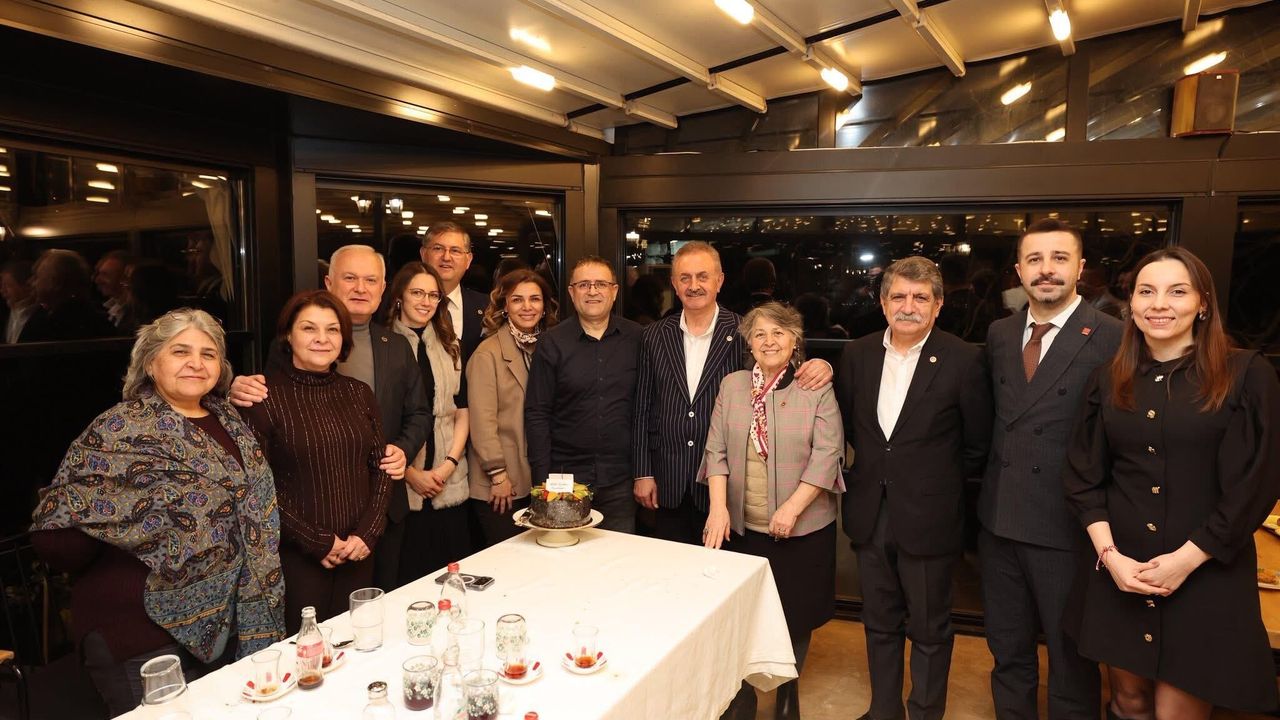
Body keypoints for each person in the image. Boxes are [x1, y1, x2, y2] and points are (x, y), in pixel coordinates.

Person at [30, 308, 285, 716]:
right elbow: (56, 538)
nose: (196, 363)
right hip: (136, 629)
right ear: (150, 363)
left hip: (229, 621)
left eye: (208, 354)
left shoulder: (231, 421)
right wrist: (123, 524)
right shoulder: (117, 429)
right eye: (180, 351)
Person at [1064, 247, 1280, 718]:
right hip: (1122, 569)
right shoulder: (1107, 379)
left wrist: (1186, 560)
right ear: (1131, 303)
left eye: (1177, 291)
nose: (1159, 304)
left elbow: (1257, 482)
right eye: (1147, 291)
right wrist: (1111, 558)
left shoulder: (1246, 374)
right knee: (1128, 701)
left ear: (1203, 303)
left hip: (1206, 572)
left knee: (1176, 709)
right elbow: (1083, 478)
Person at [836, 256, 992, 720]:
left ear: (938, 304)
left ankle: (924, 713)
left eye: (920, 297)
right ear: (883, 303)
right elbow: (852, 427)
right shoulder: (858, 354)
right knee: (878, 622)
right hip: (870, 513)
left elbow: (977, 444)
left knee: (929, 629)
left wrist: (930, 483)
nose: (909, 306)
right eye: (899, 296)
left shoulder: (964, 359)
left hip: (929, 518)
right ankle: (883, 710)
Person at [978, 219, 1122, 720]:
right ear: (1019, 271)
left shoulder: (1112, 336)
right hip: (999, 520)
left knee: (1070, 657)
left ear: (1080, 268)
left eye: (1059, 258)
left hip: (1067, 525)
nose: (1046, 270)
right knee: (1007, 649)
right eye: (1034, 259)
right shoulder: (1000, 333)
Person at [231, 244, 430, 592]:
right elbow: (272, 414)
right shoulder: (286, 349)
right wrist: (231, 388)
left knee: (380, 603)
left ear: (383, 288)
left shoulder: (397, 345)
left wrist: (401, 450)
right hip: (309, 524)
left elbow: (419, 412)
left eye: (371, 280)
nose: (361, 288)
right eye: (350, 278)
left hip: (381, 509)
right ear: (329, 282)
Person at [632, 242, 833, 546]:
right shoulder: (654, 336)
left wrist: (821, 365)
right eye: (685, 278)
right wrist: (643, 472)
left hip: (728, 486)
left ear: (719, 281)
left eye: (703, 276)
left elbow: (777, 374)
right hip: (667, 480)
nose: (694, 285)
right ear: (674, 284)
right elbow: (642, 407)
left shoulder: (744, 332)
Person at [701, 301, 844, 720]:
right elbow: (715, 451)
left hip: (801, 527)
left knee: (794, 615)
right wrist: (717, 509)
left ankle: (786, 693)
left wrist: (791, 510)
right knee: (743, 615)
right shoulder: (732, 386)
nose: (769, 341)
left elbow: (828, 454)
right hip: (743, 527)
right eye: (760, 334)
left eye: (779, 333)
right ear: (748, 342)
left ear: (794, 340)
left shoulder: (814, 386)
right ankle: (742, 693)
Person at [240, 290, 391, 631]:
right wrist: (319, 542)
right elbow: (257, 491)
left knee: (361, 642)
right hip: (299, 559)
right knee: (307, 651)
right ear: (288, 336)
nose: (322, 338)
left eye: (332, 329)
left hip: (359, 552)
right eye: (309, 328)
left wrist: (367, 534)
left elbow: (380, 467)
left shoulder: (359, 392)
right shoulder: (262, 399)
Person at [525, 256, 642, 532]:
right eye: (584, 284)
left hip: (621, 479)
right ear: (571, 292)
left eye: (601, 284)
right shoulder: (552, 342)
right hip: (564, 480)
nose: (592, 291)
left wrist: (645, 472)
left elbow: (647, 407)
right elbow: (537, 413)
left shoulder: (637, 338)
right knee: (565, 553)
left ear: (614, 291)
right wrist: (542, 480)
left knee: (619, 554)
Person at [385, 262, 473, 581]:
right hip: (402, 486)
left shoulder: (451, 344)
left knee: (454, 577)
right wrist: (411, 474)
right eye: (417, 293)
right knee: (408, 578)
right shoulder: (383, 344)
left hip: (449, 480)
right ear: (399, 297)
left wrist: (448, 465)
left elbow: (461, 409)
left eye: (433, 295)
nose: (426, 302)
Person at [466, 268, 559, 547]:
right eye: (517, 300)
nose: (527, 307)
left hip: (537, 476)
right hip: (501, 480)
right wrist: (498, 476)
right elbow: (482, 422)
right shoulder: (488, 354)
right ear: (504, 306)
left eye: (535, 299)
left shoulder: (550, 347)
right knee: (508, 559)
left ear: (545, 306)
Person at [420, 221, 490, 363]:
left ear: (468, 260)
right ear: (423, 254)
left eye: (455, 251)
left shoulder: (487, 307)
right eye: (438, 249)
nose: (446, 257)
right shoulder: (403, 303)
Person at [19, 249, 114, 341]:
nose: (30, 282)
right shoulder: (99, 320)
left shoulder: (51, 325)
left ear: (56, 283)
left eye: (36, 277)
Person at [93, 250, 131, 330]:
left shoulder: (135, 314)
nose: (97, 280)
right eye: (99, 274)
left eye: (105, 274)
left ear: (124, 278)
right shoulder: (109, 309)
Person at [2, 260, 35, 343]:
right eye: (2, 286)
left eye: (8, 285)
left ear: (27, 286)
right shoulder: (4, 312)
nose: (2, 291)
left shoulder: (41, 315)